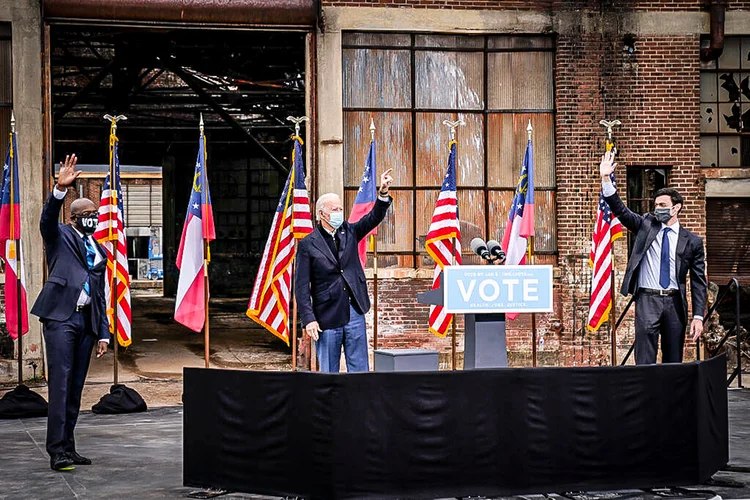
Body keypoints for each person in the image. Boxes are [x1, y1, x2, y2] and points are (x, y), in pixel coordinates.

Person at [30, 154, 110, 471]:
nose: (92, 217)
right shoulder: (59, 235)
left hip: (86, 322)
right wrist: (59, 191)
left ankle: (69, 445)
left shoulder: (98, 249)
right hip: (61, 318)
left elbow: (101, 295)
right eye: (86, 214)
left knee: (76, 388)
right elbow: (46, 220)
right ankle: (56, 451)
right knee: (60, 386)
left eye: (95, 213)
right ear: (74, 218)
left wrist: (103, 332)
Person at [599, 151, 707, 365]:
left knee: (673, 358)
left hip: (675, 302)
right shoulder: (645, 225)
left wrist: (698, 316)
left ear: (676, 208)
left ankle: (670, 398)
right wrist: (605, 178)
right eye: (656, 205)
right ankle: (645, 397)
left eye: (663, 206)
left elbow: (698, 282)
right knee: (645, 358)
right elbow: (621, 211)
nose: (657, 209)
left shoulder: (692, 241)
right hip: (647, 300)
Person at [295, 168, 394, 373]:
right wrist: (309, 319)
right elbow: (302, 287)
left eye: (340, 208)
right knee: (329, 371)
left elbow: (373, 217)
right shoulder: (308, 244)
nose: (339, 213)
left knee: (359, 370)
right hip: (327, 314)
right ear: (322, 214)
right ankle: (330, 404)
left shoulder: (350, 231)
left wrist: (382, 193)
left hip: (354, 310)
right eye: (335, 209)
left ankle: (359, 403)